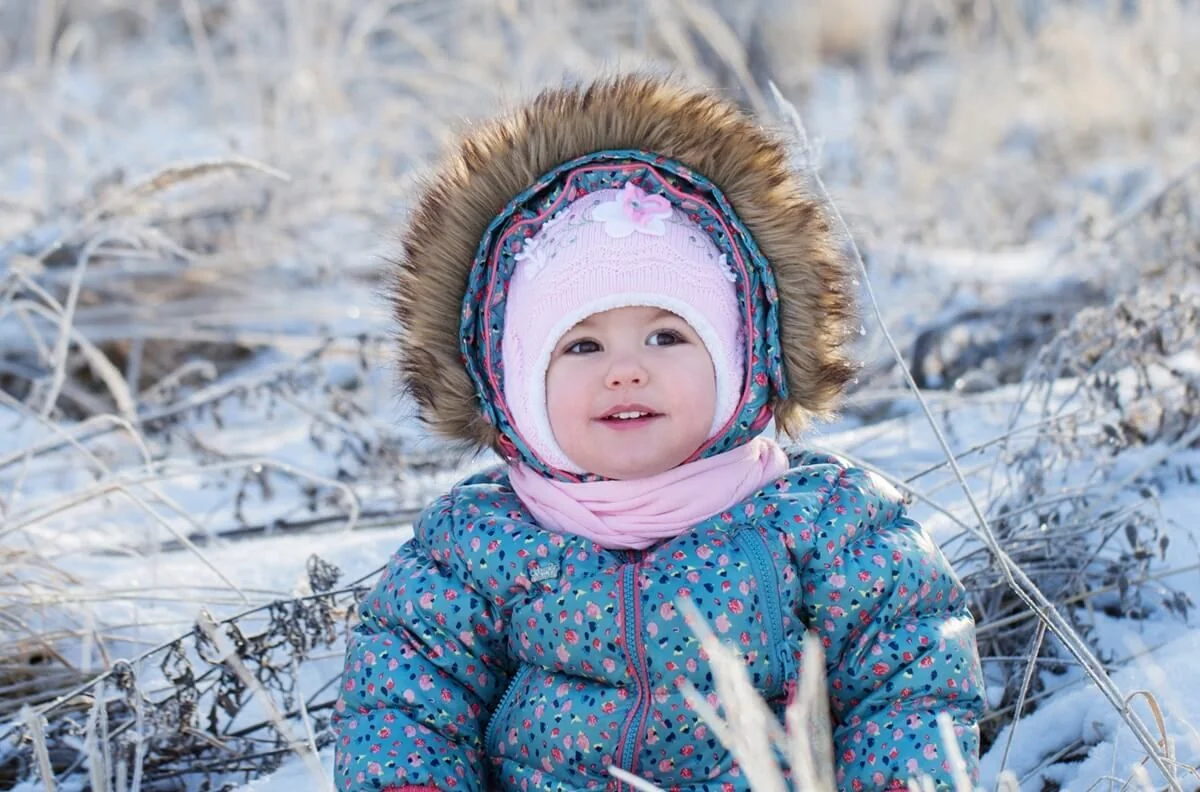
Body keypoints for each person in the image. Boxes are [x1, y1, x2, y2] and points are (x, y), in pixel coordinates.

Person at [332, 72, 984, 792]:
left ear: (738, 360)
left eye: (667, 336)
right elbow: (404, 699)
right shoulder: (477, 543)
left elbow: (910, 671)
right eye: (582, 347)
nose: (626, 372)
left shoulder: (824, 521)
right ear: (516, 384)